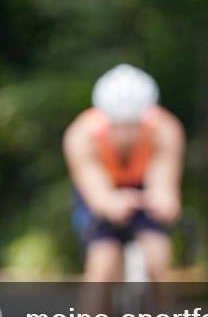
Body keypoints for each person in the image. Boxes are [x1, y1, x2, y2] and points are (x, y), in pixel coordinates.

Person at [63, 63, 185, 283]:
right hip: (101, 190)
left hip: (144, 189)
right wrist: (108, 203)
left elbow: (164, 180)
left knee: (158, 259)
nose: (126, 134)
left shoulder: (166, 130)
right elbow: (93, 186)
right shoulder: (80, 135)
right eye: (118, 125)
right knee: (103, 262)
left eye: (134, 125)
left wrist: (165, 200)